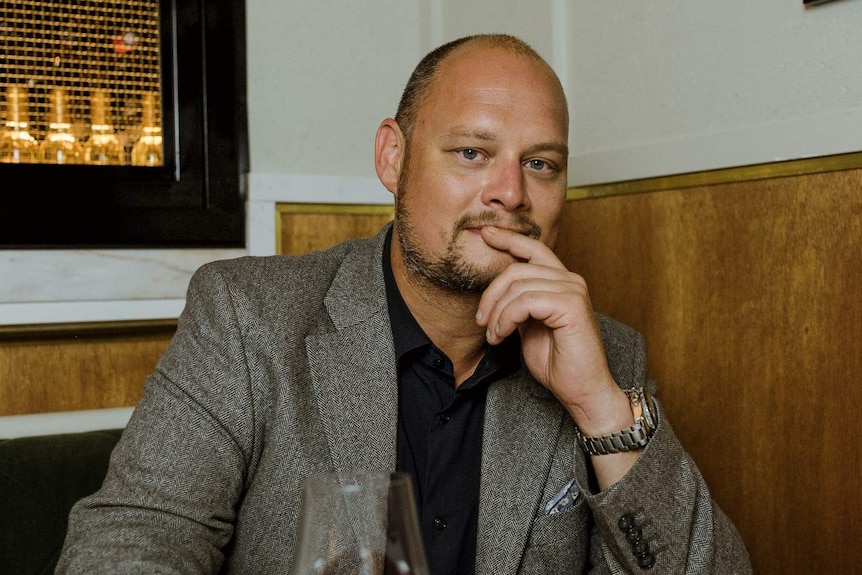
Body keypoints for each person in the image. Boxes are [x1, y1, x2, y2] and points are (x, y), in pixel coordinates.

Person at [57, 34, 751, 574]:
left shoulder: (605, 355)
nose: (511, 192)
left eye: (539, 163)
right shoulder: (248, 316)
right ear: (394, 157)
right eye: (473, 153)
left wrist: (601, 408)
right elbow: (127, 546)